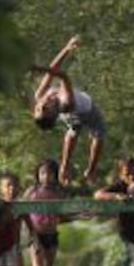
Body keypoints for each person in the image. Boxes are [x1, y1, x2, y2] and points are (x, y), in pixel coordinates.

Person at [32, 35, 106, 185]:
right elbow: (64, 77)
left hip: (71, 117)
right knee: (99, 132)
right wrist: (42, 68)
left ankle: (65, 166)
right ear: (53, 113)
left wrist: (66, 49)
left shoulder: (40, 96)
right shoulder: (66, 103)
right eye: (45, 108)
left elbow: (51, 71)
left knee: (72, 132)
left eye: (39, 107)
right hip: (87, 110)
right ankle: (91, 170)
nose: (43, 104)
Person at [24, 159, 66, 266]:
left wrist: (79, 216)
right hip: (36, 234)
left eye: (50, 173)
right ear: (38, 174)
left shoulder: (59, 193)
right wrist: (32, 234)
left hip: (52, 234)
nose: (46, 176)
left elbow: (61, 216)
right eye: (43, 173)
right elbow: (23, 212)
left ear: (55, 175)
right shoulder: (32, 192)